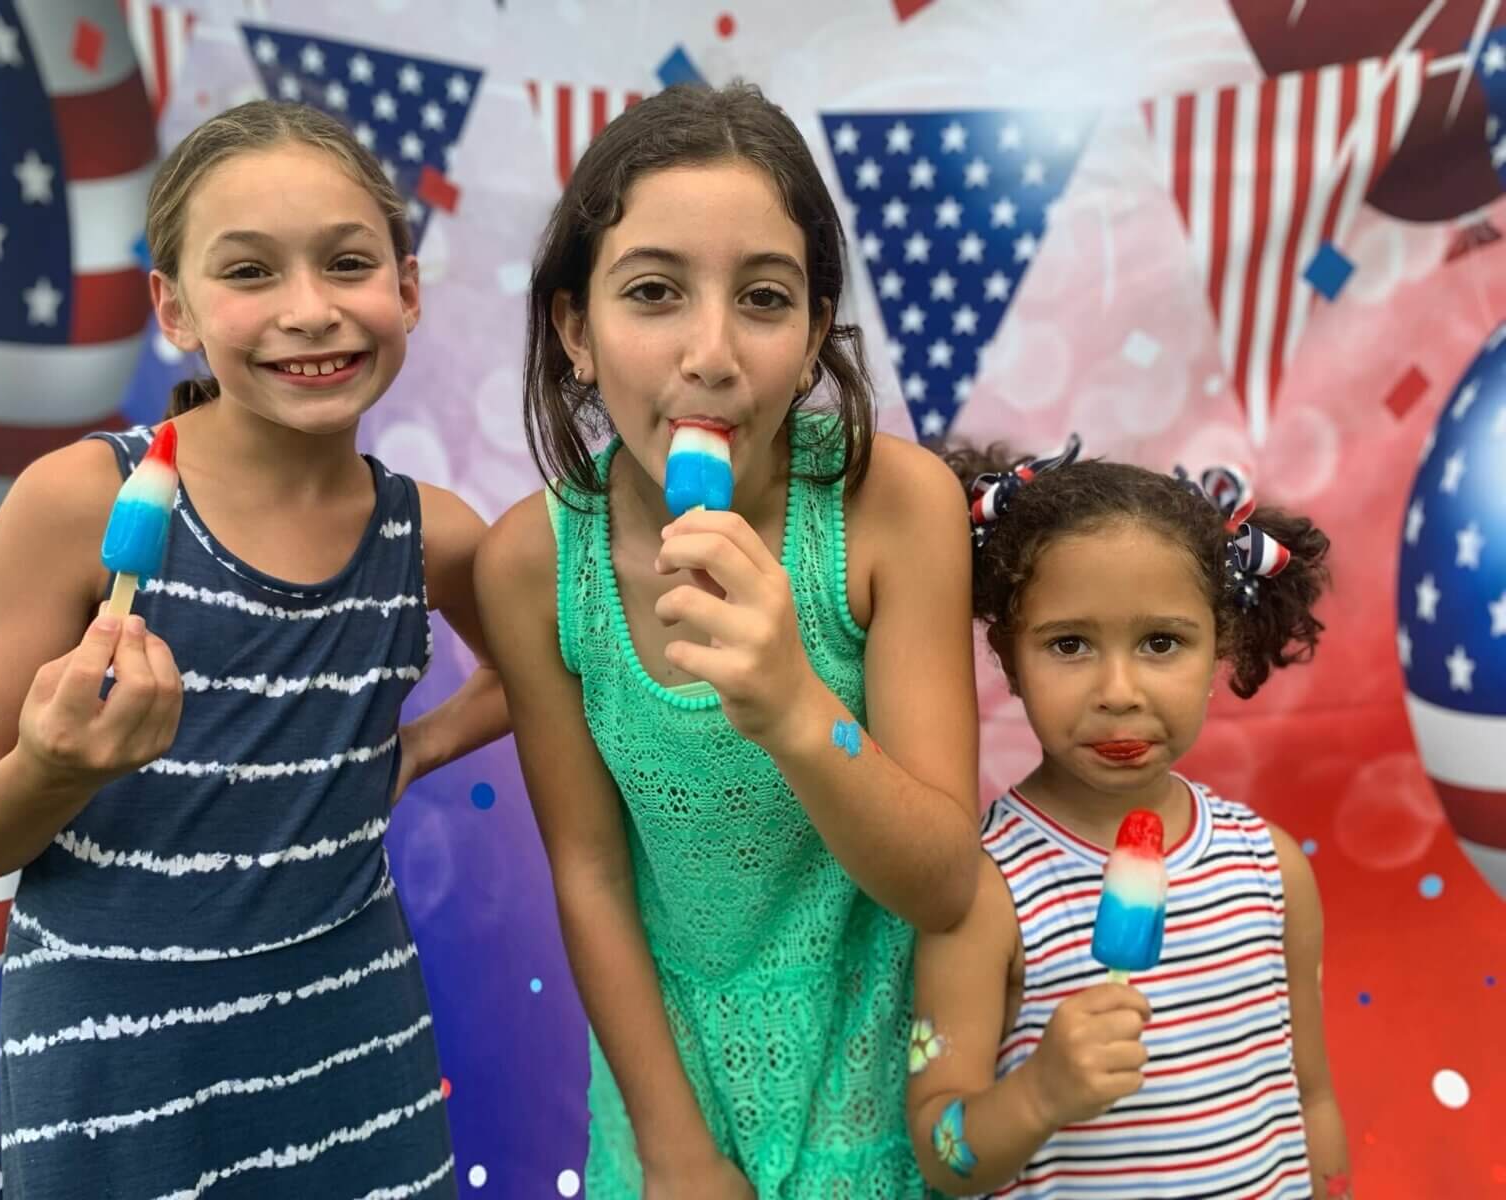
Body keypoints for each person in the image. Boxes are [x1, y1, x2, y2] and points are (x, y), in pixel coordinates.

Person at [0, 99, 506, 1198]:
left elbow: (539, 670)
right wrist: (48, 772)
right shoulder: (78, 500)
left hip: (359, 1075)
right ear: (173, 309)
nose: (311, 310)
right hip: (113, 1101)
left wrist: (410, 752)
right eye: (249, 273)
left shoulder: (434, 537)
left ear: (408, 291)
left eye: (348, 262)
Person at [476, 82, 981, 1197]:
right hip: (672, 1088)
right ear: (575, 329)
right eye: (653, 293)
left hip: (880, 1089)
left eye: (762, 298)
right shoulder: (530, 566)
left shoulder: (893, 510)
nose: (711, 352)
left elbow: (944, 884)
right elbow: (592, 873)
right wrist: (674, 1154)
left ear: (810, 342)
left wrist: (797, 711)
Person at [909, 444, 1352, 1199]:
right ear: (1009, 658)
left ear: (1223, 643)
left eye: (1161, 643)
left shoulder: (1272, 869)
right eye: (1070, 644)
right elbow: (938, 1148)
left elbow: (1309, 1094)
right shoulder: (982, 889)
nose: (1119, 691)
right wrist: (1040, 1093)